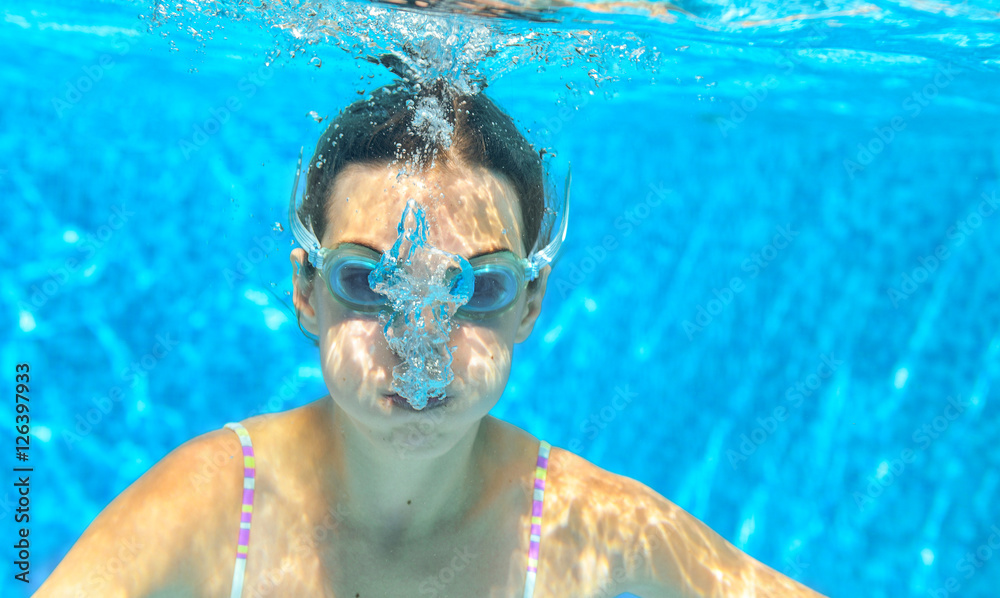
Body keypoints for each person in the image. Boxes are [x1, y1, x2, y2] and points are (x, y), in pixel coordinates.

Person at [37, 80, 825, 598]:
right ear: (305, 290)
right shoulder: (214, 506)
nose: (422, 338)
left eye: (477, 289)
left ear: (530, 302)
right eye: (365, 281)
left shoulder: (595, 527)